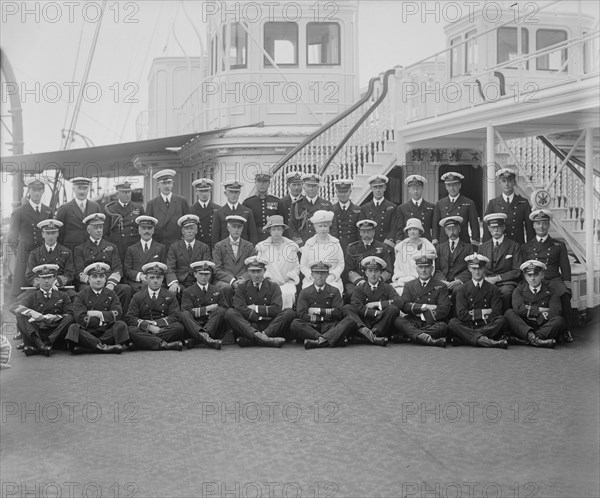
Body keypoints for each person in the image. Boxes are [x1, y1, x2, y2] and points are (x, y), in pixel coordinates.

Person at [521, 209, 573, 342]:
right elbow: (523, 268)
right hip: (533, 278)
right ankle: (524, 329)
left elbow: (565, 267)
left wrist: (567, 284)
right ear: (533, 225)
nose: (541, 226)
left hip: (552, 279)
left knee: (564, 294)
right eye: (538, 223)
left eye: (544, 223)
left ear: (548, 224)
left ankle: (566, 329)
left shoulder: (558, 245)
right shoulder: (526, 246)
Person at [225, 257, 295, 348]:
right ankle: (264, 339)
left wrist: (256, 308)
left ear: (264, 271)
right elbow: (239, 307)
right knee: (230, 312)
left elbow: (276, 309)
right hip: (249, 325)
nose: (256, 275)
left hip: (269, 325)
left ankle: (254, 339)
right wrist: (256, 315)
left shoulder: (273, 286)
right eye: (253, 271)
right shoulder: (242, 287)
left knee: (289, 312)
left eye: (259, 271)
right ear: (248, 272)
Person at [10, 264, 74, 356]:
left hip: (56, 332)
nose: (46, 281)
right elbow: (13, 307)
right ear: (38, 280)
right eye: (43, 278)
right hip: (38, 332)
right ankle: (41, 345)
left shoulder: (63, 295)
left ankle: (44, 345)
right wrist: (31, 312)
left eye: (49, 277)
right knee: (20, 316)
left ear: (54, 279)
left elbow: (70, 313)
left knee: (70, 318)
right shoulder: (32, 295)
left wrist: (56, 317)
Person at [291, 262, 358, 349]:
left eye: (323, 273)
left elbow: (338, 312)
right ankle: (331, 339)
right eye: (317, 273)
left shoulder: (334, 291)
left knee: (350, 320)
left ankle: (319, 341)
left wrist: (317, 311)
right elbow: (301, 314)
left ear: (327, 274)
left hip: (329, 325)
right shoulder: (305, 292)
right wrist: (323, 317)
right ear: (312, 275)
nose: (320, 276)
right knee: (295, 324)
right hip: (312, 326)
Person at [73, 213, 132, 313]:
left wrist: (111, 283)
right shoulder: (80, 249)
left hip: (108, 281)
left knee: (125, 289)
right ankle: (89, 320)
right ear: (88, 230)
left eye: (100, 227)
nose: (99, 230)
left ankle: (120, 319)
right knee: (84, 290)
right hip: (90, 282)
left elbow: (118, 268)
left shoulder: (112, 246)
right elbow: (79, 271)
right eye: (95, 227)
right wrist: (93, 281)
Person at [66, 263, 129, 354]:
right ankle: (105, 347)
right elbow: (80, 318)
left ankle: (90, 347)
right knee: (74, 328)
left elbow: (118, 313)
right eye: (94, 277)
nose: (98, 280)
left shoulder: (111, 294)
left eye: (101, 276)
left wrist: (99, 314)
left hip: (106, 331)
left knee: (121, 325)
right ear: (89, 279)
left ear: (105, 279)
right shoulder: (81, 295)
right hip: (88, 331)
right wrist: (103, 320)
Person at [7, 177, 54, 298]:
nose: (37, 193)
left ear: (43, 191)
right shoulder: (19, 212)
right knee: (21, 290)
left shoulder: (48, 211)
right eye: (34, 190)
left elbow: (51, 234)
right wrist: (20, 254)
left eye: (39, 190)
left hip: (43, 255)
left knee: (44, 287)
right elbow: (12, 239)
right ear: (29, 191)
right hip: (25, 256)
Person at [448, 254, 507, 348]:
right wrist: (485, 311)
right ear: (469, 268)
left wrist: (473, 314)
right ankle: (486, 341)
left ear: (484, 269)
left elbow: (496, 312)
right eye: (474, 268)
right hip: (469, 325)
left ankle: (466, 338)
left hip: (485, 325)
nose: (477, 272)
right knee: (453, 323)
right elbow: (461, 315)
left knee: (501, 320)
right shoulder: (462, 289)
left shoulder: (492, 288)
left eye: (480, 268)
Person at [125, 263, 186, 351]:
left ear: (163, 279)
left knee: (179, 327)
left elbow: (175, 315)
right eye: (152, 277)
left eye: (158, 277)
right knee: (130, 330)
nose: (155, 281)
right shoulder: (137, 296)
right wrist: (149, 327)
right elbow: (130, 318)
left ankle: (143, 342)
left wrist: (156, 324)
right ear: (146, 278)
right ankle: (164, 345)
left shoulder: (170, 295)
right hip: (145, 329)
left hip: (163, 328)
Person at [504, 260, 564, 348]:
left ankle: (527, 339)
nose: (532, 278)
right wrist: (540, 310)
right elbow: (519, 308)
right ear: (525, 277)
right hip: (524, 324)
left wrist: (535, 316)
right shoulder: (519, 290)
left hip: (542, 324)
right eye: (529, 275)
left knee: (559, 320)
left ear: (542, 275)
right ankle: (536, 340)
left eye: (536, 274)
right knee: (509, 313)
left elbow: (556, 311)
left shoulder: (551, 291)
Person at [394, 253, 449, 347]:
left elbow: (444, 309)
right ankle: (426, 338)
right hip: (413, 321)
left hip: (431, 322)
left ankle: (410, 336)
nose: (423, 270)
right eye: (420, 267)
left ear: (432, 268)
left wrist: (423, 315)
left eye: (427, 267)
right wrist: (424, 307)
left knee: (443, 327)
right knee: (397, 321)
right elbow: (404, 306)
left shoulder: (441, 286)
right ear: (416, 268)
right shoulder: (409, 285)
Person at [344, 256, 400, 345]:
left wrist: (378, 304)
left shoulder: (387, 287)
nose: (373, 274)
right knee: (347, 308)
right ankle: (370, 336)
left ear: (380, 273)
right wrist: (375, 313)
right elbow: (356, 305)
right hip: (365, 321)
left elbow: (399, 301)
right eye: (370, 271)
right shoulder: (359, 288)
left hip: (381, 322)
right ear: (365, 273)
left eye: (376, 271)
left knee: (393, 309)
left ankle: (370, 335)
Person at [478, 213, 522, 311]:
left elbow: (517, 270)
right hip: (487, 280)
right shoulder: (482, 247)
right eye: (493, 227)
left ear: (504, 227)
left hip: (506, 282)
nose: (496, 230)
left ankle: (506, 319)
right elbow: (479, 267)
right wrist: (485, 279)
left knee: (506, 292)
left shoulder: (514, 246)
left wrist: (498, 278)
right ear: (489, 228)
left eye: (498, 227)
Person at [255, 215, 300, 309]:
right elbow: (259, 267)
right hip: (269, 283)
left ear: (283, 230)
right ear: (269, 231)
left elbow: (296, 267)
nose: (276, 232)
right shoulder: (263, 247)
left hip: (287, 282)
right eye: (273, 229)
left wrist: (289, 277)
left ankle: (286, 318)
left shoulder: (291, 247)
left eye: (279, 229)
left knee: (288, 293)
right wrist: (269, 279)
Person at [343, 219, 393, 302]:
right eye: (363, 231)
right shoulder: (352, 248)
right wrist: (361, 282)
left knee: (384, 294)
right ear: (360, 233)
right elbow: (348, 270)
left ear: (373, 232)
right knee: (351, 293)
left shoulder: (382, 247)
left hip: (377, 281)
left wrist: (376, 281)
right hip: (358, 282)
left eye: (369, 231)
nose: (366, 234)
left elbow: (388, 271)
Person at [180, 261, 228, 346]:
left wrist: (215, 311)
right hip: (195, 324)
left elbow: (224, 308)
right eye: (201, 274)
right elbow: (187, 310)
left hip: (212, 323)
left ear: (210, 275)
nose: (203, 277)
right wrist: (207, 309)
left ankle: (199, 338)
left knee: (221, 310)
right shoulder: (188, 291)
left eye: (206, 274)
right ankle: (205, 337)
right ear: (195, 274)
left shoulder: (217, 290)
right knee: (184, 314)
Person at [212, 215, 257, 305]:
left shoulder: (249, 246)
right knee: (226, 287)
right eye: (234, 226)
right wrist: (232, 280)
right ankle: (226, 312)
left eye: (239, 227)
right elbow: (217, 269)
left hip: (243, 280)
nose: (236, 230)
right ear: (228, 228)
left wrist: (242, 279)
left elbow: (252, 267)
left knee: (248, 286)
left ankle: (244, 313)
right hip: (224, 281)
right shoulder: (219, 246)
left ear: (242, 228)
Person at [483, 168, 534, 244]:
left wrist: (530, 247)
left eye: (510, 181)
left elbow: (530, 228)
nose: (506, 184)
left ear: (514, 182)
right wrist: (486, 247)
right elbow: (487, 227)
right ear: (499, 182)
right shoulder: (493, 203)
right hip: (500, 245)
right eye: (504, 181)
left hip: (518, 244)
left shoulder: (523, 202)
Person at [299, 210, 345, 295]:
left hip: (331, 280)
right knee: (308, 291)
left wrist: (333, 276)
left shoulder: (335, 243)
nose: (323, 229)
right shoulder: (309, 244)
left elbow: (341, 264)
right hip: (312, 280)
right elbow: (303, 265)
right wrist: (312, 277)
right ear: (315, 228)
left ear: (329, 227)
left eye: (325, 226)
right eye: (320, 226)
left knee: (334, 290)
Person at [166, 214, 211, 296]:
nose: (189, 231)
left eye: (192, 228)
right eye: (187, 228)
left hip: (198, 281)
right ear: (182, 231)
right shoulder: (174, 247)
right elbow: (170, 267)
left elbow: (206, 268)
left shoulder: (204, 247)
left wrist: (201, 282)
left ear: (196, 230)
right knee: (174, 290)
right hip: (181, 282)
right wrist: (174, 282)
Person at [25, 219, 75, 292]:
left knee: (74, 298)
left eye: (53, 233)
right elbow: (29, 275)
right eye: (48, 233)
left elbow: (70, 273)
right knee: (22, 300)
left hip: (60, 288)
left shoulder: (67, 252)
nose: (51, 236)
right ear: (42, 234)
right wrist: (41, 283)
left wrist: (58, 281)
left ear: (57, 233)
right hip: (40, 289)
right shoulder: (34, 253)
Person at [145, 169, 190, 250]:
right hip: (159, 245)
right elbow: (148, 226)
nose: (167, 186)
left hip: (178, 244)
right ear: (158, 185)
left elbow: (187, 223)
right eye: (163, 183)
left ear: (172, 184)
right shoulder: (152, 204)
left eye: (169, 183)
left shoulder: (182, 201)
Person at [432, 172, 480, 246]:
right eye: (449, 185)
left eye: (454, 185)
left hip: (463, 242)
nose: (452, 188)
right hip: (444, 243)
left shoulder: (469, 203)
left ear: (459, 185)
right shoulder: (440, 203)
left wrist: (475, 242)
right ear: (446, 187)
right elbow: (435, 225)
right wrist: (435, 241)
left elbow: (474, 225)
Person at [56, 177, 102, 252]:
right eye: (79, 188)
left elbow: (100, 229)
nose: (82, 191)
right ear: (73, 189)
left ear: (89, 189)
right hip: (71, 250)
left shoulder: (95, 207)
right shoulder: (64, 208)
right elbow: (59, 233)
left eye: (85, 188)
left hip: (91, 250)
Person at [123, 216, 167, 292]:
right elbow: (127, 270)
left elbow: (165, 269)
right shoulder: (131, 249)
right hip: (137, 285)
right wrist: (140, 276)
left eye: (149, 228)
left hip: (156, 284)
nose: (146, 231)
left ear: (153, 230)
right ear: (139, 230)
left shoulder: (161, 248)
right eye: (143, 228)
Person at [103, 182, 144, 263]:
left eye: (129, 192)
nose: (127, 195)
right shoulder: (110, 209)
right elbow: (105, 232)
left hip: (134, 246)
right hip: (117, 247)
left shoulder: (138, 208)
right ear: (117, 194)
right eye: (124, 192)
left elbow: (143, 228)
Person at [392, 218, 436, 293]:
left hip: (422, 283)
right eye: (410, 229)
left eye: (415, 229)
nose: (412, 232)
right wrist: (402, 279)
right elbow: (397, 268)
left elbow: (431, 269)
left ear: (420, 231)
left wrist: (414, 278)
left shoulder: (428, 247)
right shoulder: (401, 249)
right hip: (402, 283)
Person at [288, 173, 333, 245]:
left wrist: (329, 244)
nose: (311, 189)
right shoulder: (296, 205)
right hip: (303, 244)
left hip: (322, 243)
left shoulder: (326, 205)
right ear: (304, 187)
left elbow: (332, 227)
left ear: (318, 188)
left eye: (314, 186)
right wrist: (299, 243)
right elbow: (292, 227)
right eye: (308, 186)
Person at [433, 216, 474, 294]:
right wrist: (443, 281)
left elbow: (470, 268)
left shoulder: (468, 248)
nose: (452, 232)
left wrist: (459, 280)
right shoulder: (439, 248)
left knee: (458, 290)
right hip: (443, 282)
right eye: (449, 229)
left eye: (454, 228)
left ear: (459, 229)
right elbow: (436, 269)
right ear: (445, 231)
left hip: (459, 283)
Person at [212, 180, 258, 246]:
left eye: (236, 192)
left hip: (244, 251)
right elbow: (215, 237)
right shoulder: (219, 213)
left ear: (239, 193)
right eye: (231, 192)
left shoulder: (248, 212)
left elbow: (253, 235)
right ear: (225, 193)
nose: (234, 195)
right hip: (225, 251)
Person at [243, 172, 284, 242]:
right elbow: (245, 226)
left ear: (269, 183)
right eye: (259, 181)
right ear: (255, 183)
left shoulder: (277, 201)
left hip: (273, 238)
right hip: (254, 238)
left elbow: (282, 222)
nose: (262, 184)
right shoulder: (248, 203)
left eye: (265, 181)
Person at [359, 175, 396, 250]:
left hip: (386, 246)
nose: (378, 190)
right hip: (369, 245)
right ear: (371, 189)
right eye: (375, 187)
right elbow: (361, 229)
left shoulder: (392, 207)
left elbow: (394, 228)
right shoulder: (365, 208)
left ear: (385, 188)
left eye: (380, 187)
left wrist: (387, 246)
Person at [395, 175, 434, 242]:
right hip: (408, 242)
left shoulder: (431, 207)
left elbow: (434, 228)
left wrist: (434, 240)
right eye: (413, 188)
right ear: (409, 190)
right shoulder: (402, 208)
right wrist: (399, 241)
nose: (416, 191)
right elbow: (400, 229)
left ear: (422, 189)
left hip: (425, 242)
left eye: (418, 188)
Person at [330, 179, 361, 253]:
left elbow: (359, 232)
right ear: (336, 192)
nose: (343, 195)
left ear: (350, 192)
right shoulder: (331, 209)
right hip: (336, 247)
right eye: (340, 192)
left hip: (353, 247)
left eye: (345, 192)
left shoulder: (358, 210)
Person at [189, 178, 220, 249]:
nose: (204, 194)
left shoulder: (217, 209)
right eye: (201, 191)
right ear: (196, 192)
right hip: (197, 247)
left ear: (210, 191)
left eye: (206, 191)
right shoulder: (190, 210)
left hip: (213, 246)